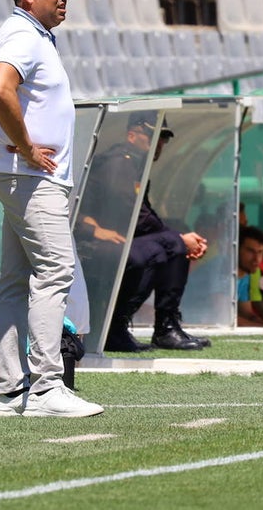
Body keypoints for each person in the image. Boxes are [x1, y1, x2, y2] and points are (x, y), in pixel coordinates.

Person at [0, 0, 103, 418]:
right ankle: (47, 387)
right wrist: (27, 147)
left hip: (25, 175)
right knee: (55, 272)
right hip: (31, 176)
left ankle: (10, 391)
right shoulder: (22, 36)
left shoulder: (32, 36)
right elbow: (0, 88)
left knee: (16, 281)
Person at [83, 114, 210, 353]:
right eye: (153, 135)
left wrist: (178, 237)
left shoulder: (134, 165)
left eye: (163, 138)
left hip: (115, 240)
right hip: (90, 242)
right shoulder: (119, 163)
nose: (159, 143)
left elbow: (143, 214)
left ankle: (165, 326)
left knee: (169, 245)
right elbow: (134, 215)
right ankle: (116, 327)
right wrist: (179, 238)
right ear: (132, 135)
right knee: (161, 248)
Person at [235, 226, 263, 328]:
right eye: (250, 251)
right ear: (236, 249)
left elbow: (247, 313)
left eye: (260, 252)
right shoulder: (221, 269)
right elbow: (223, 318)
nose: (256, 259)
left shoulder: (245, 275)